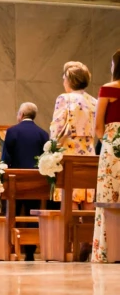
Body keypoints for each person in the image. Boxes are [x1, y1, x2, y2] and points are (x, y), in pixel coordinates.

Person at [0, 102, 49, 261]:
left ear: (21, 115)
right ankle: (30, 251)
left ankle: (11, 248)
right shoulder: (43, 134)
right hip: (35, 181)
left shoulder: (12, 131)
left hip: (15, 181)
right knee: (33, 214)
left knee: (12, 213)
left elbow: (6, 159)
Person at [50, 61, 98, 207]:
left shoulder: (64, 98)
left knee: (70, 198)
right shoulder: (94, 101)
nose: (63, 81)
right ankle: (88, 230)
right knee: (87, 198)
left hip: (69, 150)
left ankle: (69, 231)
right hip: (89, 152)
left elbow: (56, 128)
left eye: (64, 78)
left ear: (70, 80)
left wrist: (51, 148)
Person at [92, 50, 120, 263]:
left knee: (109, 196)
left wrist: (109, 142)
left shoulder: (108, 89)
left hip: (113, 147)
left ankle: (107, 250)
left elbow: (98, 127)